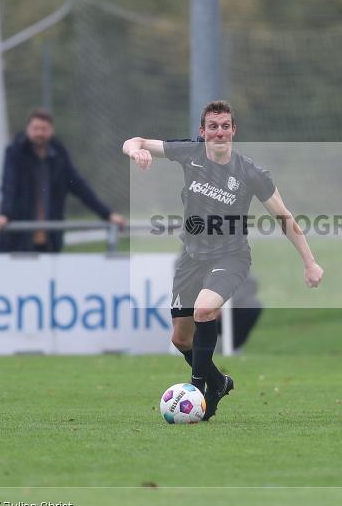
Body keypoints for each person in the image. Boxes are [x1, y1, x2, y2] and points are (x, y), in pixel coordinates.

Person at [122, 100, 323, 421]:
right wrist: (136, 151)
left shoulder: (250, 173)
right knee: (180, 338)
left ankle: (197, 390)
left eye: (225, 126)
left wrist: (309, 261)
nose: (219, 132)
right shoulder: (190, 153)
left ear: (233, 131)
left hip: (231, 257)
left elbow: (284, 217)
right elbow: (134, 141)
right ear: (202, 132)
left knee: (205, 310)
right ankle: (218, 383)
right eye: (212, 127)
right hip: (191, 257)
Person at [0, 109, 126, 252]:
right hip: (17, 240)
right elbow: (9, 185)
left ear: (51, 131)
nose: (39, 133)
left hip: (50, 241)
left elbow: (80, 187)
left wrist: (107, 214)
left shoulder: (59, 156)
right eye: (35, 128)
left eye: (44, 129)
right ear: (28, 129)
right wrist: (4, 214)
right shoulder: (15, 152)